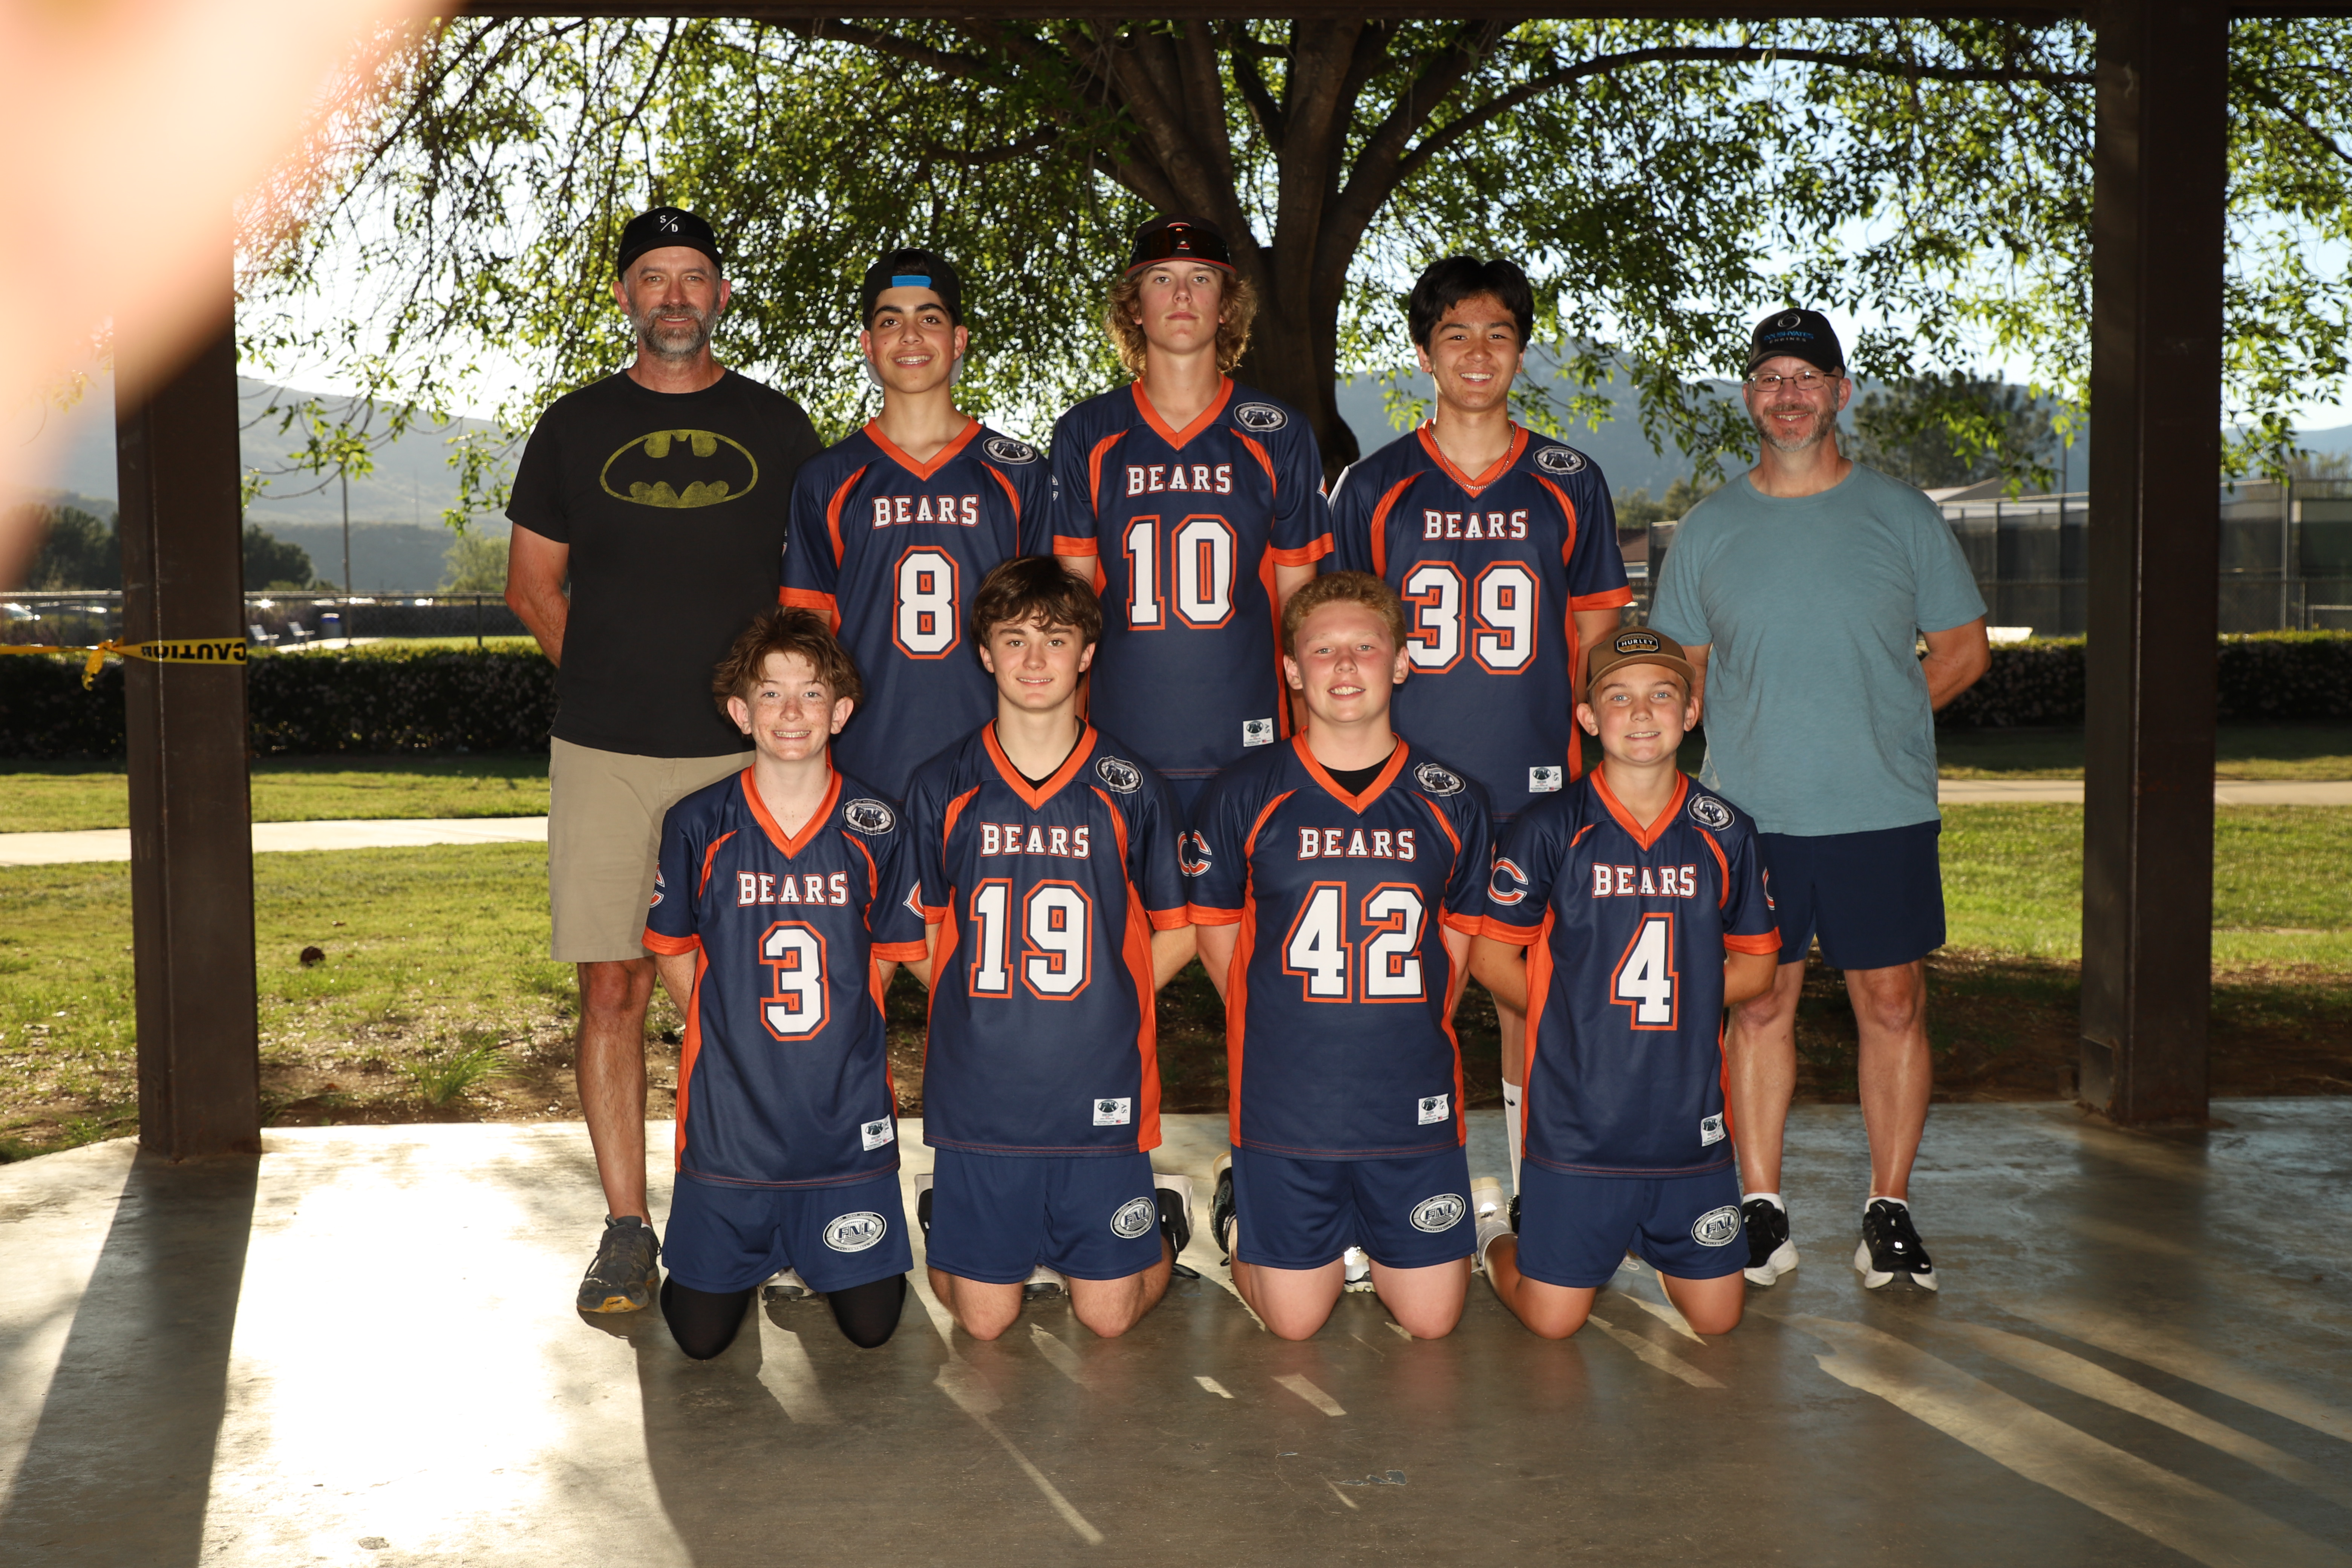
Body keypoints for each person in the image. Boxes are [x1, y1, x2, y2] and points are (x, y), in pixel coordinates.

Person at [503, 205, 823, 1314]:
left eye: (694, 276)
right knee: (615, 984)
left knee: (750, 993)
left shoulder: (778, 427)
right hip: (605, 752)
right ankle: (629, 1229)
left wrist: (779, 714)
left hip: (747, 761)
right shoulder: (574, 426)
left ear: (721, 296)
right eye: (655, 277)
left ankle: (762, 1213)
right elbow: (531, 587)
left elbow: (814, 592)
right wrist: (611, 681)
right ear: (625, 297)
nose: (676, 296)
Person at [1646, 308, 1991, 1292]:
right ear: (1748, 398)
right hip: (1747, 817)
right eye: (1770, 378)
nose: (1788, 395)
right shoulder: (1710, 529)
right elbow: (1682, 676)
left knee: (1892, 1002)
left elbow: (1962, 652)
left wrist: (1879, 720)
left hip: (1878, 810)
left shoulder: (1902, 515)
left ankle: (1891, 1210)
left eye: (1808, 377)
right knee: (1759, 1007)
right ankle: (1761, 1209)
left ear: (1841, 392)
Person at [1329, 256, 1632, 1202]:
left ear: (1521, 352)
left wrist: (1605, 773)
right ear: (1424, 354)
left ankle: (1541, 1192)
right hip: (1401, 789)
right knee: (1391, 998)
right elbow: (1338, 644)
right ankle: (1379, 1195)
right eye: (1455, 333)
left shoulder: (1568, 480)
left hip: (1534, 786)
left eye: (1499, 334)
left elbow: (1600, 643)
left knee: (1529, 994)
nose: (1477, 351)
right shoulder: (1374, 486)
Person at [1187, 571, 1492, 1341]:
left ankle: (1387, 1231)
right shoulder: (1246, 791)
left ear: (1402, 662)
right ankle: (1238, 1209)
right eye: (1323, 650)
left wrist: (1396, 1029)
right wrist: (1284, 1029)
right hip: (1287, 1102)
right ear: (1292, 670)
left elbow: (1453, 957)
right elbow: (1221, 943)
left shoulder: (1453, 799)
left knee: (1432, 1322)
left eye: (1366, 646)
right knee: (1294, 1325)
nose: (1346, 665)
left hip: (1410, 1102)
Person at [900, 557, 1197, 1340]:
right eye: (1015, 639)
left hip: (1099, 1086)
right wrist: (970, 998)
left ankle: (1162, 1216)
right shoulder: (942, 784)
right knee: (986, 1322)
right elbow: (916, 932)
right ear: (985, 653)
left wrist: (1110, 997)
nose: (1035, 659)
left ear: (1087, 654)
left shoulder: (1130, 785)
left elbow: (1180, 927)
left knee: (1108, 1319)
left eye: (1056, 640)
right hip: (981, 1091)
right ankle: (954, 1212)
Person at [1468, 627, 1782, 1338]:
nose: (1642, 713)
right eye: (1619, 697)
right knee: (1553, 1323)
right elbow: (1490, 959)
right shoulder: (1552, 827)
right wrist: (1577, 1016)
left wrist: (1684, 1002)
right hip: (1578, 1127)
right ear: (1587, 718)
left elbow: (1757, 967)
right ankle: (1493, 1233)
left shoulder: (1726, 831)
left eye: (1662, 695)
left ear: (1692, 712)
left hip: (1687, 1127)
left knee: (1718, 1320)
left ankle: (1635, 1240)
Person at [640, 609, 931, 1356]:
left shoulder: (877, 825)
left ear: (842, 712)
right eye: (770, 694)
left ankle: (810, 1251)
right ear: (741, 713)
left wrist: (843, 1024)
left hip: (842, 1117)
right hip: (731, 1121)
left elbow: (887, 954)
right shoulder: (698, 822)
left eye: (811, 694)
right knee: (700, 1338)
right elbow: (673, 949)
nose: (791, 712)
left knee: (872, 1328)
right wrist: (727, 1026)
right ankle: (757, 1255)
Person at [1048, 216, 1333, 820]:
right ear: (1134, 308)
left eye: (1201, 278)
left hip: (1251, 739)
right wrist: (1060, 751)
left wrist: (1314, 752)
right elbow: (1070, 614)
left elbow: (1301, 615)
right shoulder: (1087, 432)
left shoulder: (1278, 433)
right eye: (1161, 279)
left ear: (1226, 307)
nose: (1181, 294)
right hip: (1119, 739)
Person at [783, 248, 1052, 801]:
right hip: (862, 764)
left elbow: (1057, 635)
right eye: (890, 321)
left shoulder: (1018, 473)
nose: (910, 336)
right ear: (868, 345)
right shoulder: (826, 478)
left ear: (959, 340)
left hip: (1000, 768)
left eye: (930, 318)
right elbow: (805, 637)